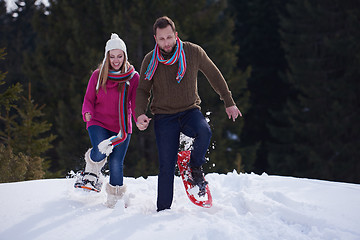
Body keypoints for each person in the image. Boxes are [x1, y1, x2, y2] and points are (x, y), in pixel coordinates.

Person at [135, 16, 242, 212]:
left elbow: (214, 74)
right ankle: (163, 211)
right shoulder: (150, 60)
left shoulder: (193, 52)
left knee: (205, 131)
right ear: (155, 39)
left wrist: (229, 102)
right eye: (161, 39)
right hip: (164, 117)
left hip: (190, 111)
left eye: (169, 37)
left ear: (176, 35)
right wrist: (139, 113)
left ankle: (194, 167)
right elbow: (143, 90)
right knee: (166, 166)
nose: (166, 43)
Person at [77, 33, 139, 208]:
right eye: (112, 56)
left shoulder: (133, 78)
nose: (116, 60)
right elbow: (88, 99)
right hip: (98, 121)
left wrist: (139, 118)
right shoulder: (98, 75)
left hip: (121, 126)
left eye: (119, 56)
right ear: (107, 57)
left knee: (116, 163)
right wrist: (87, 112)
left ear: (125, 56)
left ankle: (115, 200)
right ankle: (92, 165)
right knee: (101, 149)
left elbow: (135, 104)